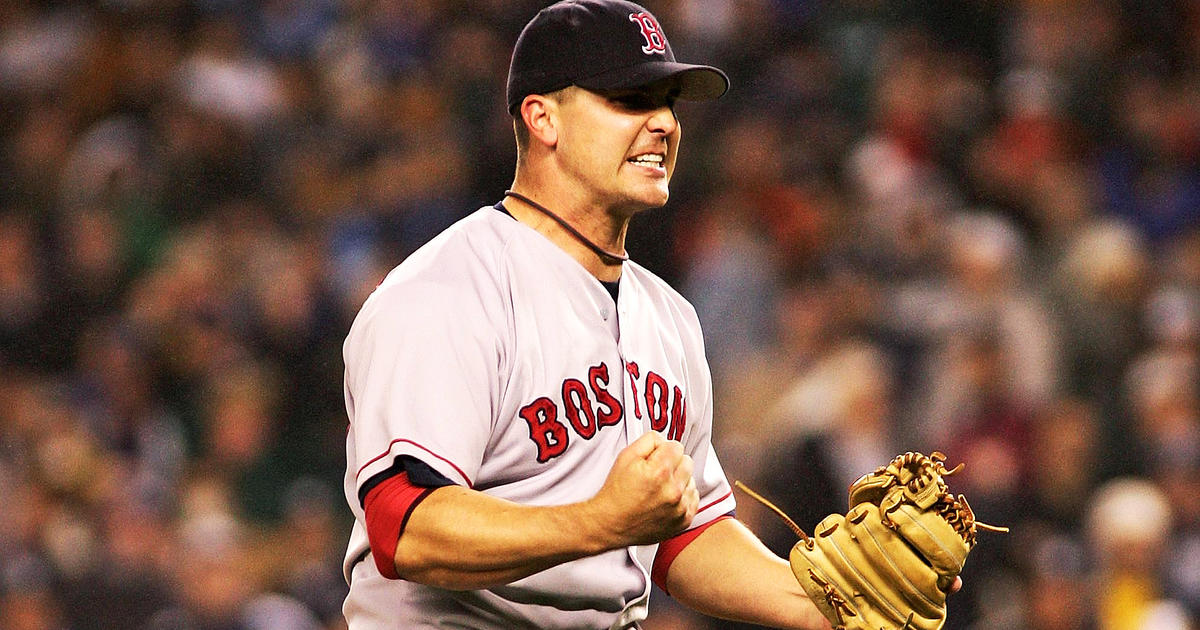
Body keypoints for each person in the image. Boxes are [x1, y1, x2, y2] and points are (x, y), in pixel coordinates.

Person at [339, 1, 831, 628]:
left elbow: (685, 535)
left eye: (668, 103)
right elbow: (404, 527)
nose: (663, 123)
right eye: (630, 100)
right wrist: (602, 521)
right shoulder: (448, 292)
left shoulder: (670, 317)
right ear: (542, 117)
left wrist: (822, 606)